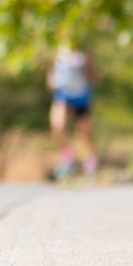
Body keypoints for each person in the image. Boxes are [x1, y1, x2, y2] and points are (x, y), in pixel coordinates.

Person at [47, 42, 98, 180]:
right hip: (64, 97)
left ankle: (91, 166)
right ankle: (69, 160)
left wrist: (88, 68)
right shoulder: (58, 53)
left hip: (82, 98)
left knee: (85, 133)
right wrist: (53, 82)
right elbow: (51, 77)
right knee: (58, 126)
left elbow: (94, 79)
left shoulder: (85, 55)